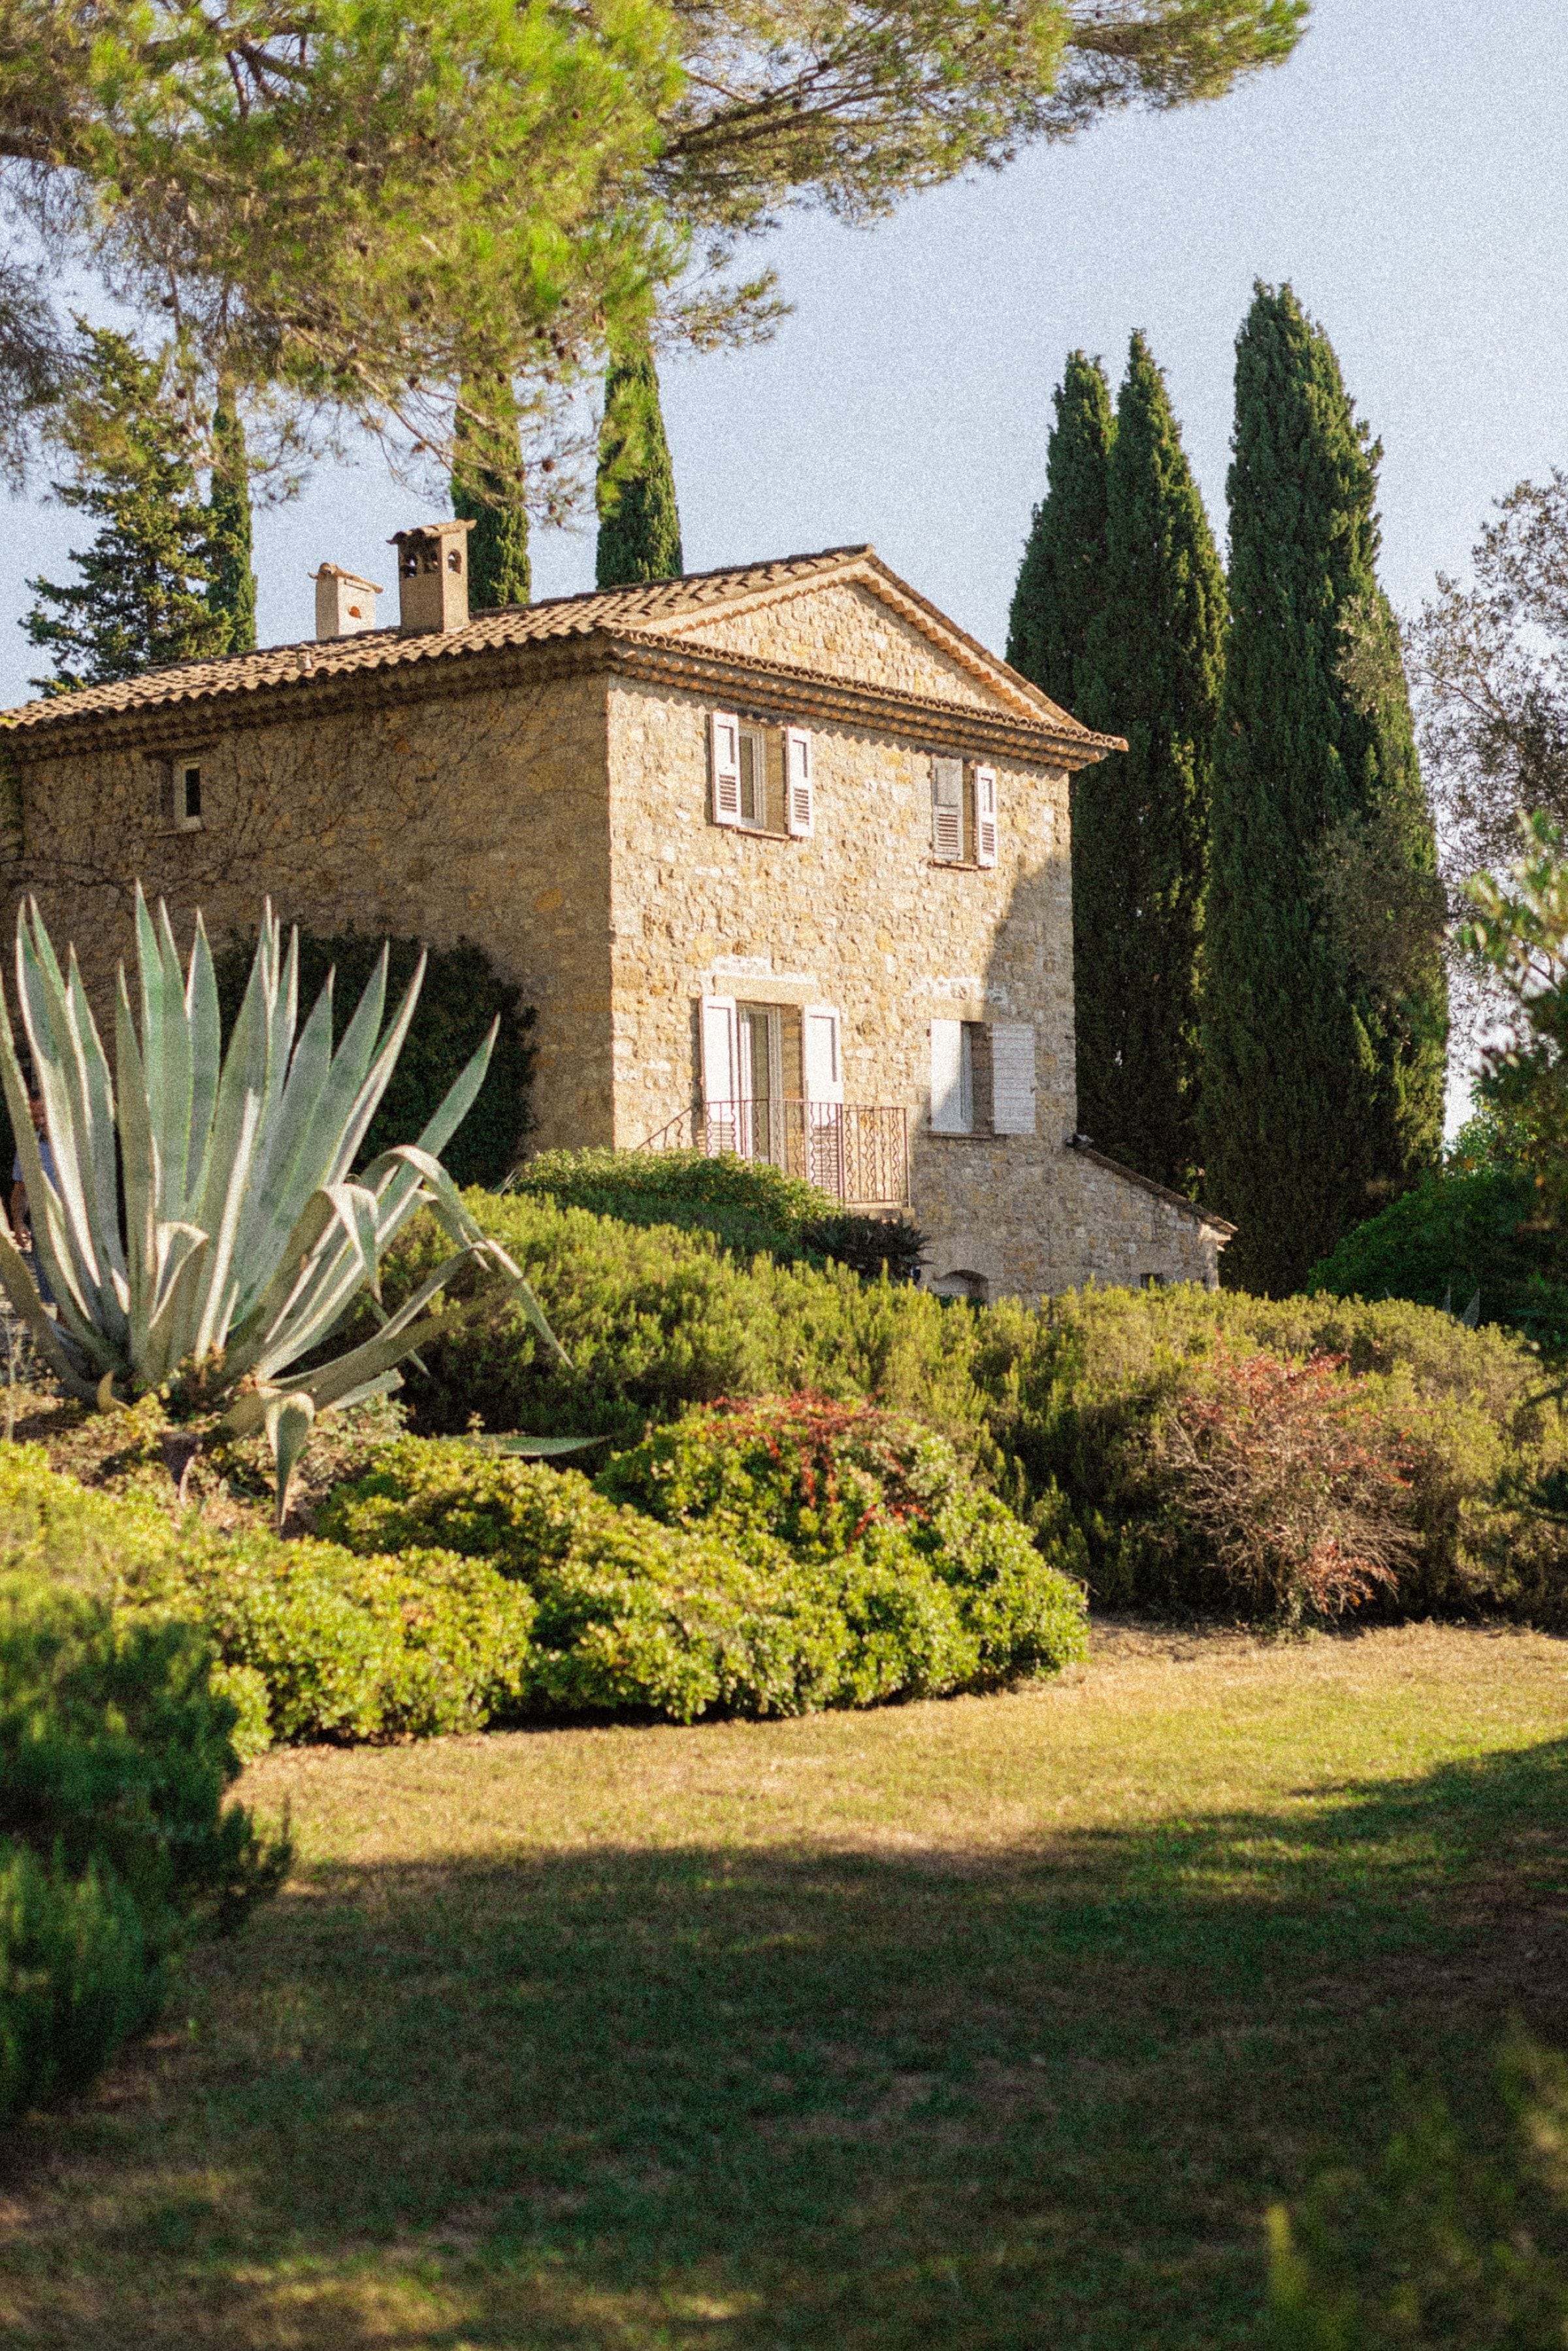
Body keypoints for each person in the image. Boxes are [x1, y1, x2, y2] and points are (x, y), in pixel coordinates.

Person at [10, 1080, 56, 1306]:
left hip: (82, 1237)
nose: (41, 1121)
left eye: (45, 1115)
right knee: (54, 1299)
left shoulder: (81, 1145)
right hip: (45, 1234)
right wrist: (19, 1222)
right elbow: (21, 1190)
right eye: (35, 1116)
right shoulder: (30, 1148)